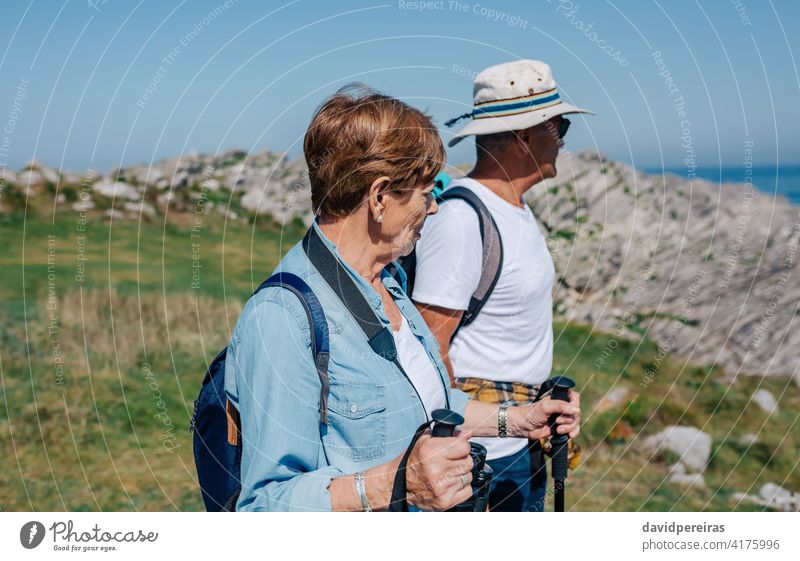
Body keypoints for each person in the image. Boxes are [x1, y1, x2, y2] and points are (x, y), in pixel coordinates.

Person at [223, 84, 581, 511]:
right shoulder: (281, 318)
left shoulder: (388, 280)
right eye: (427, 191)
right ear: (379, 197)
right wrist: (394, 482)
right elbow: (264, 505)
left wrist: (519, 420)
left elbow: (436, 404)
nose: (434, 208)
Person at [413, 60, 593, 511]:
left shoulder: (513, 210)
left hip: (519, 443)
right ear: (525, 137)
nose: (565, 139)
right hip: (481, 460)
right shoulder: (460, 219)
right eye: (560, 126)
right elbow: (429, 348)